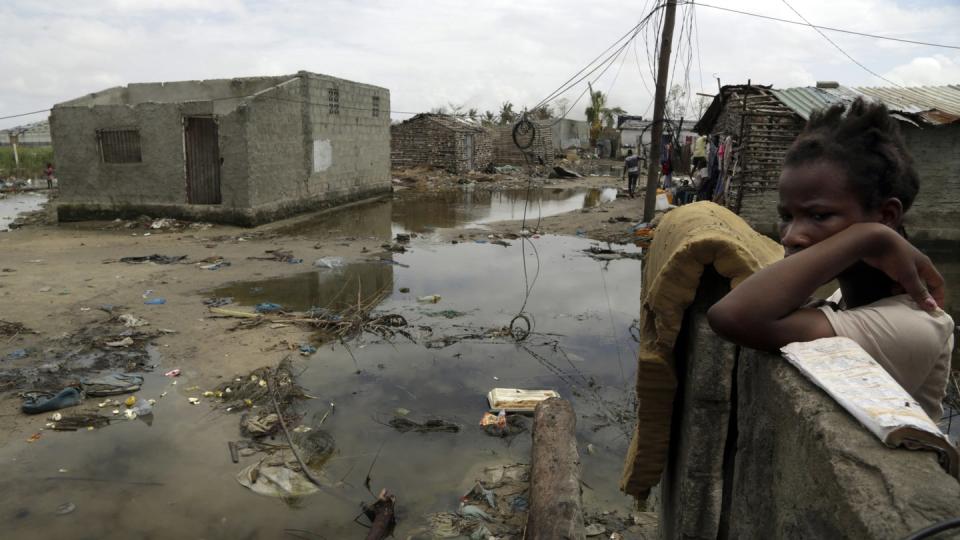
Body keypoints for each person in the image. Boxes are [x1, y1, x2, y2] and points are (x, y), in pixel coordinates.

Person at [707, 98, 954, 421]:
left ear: (887, 215)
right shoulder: (844, 299)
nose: (791, 235)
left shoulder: (914, 324)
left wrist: (867, 236)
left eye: (819, 215)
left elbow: (732, 317)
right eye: (786, 216)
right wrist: (868, 235)